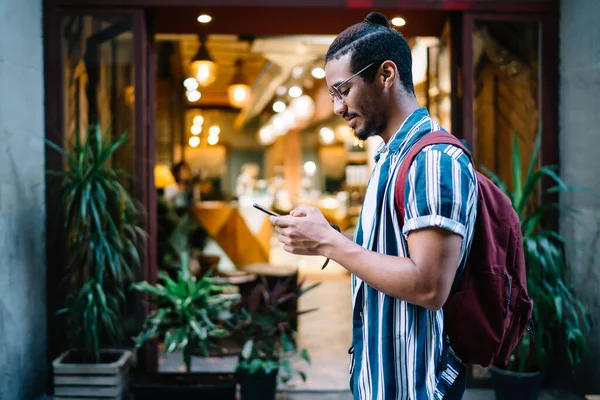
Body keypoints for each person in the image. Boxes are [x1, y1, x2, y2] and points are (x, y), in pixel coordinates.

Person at [269, 12, 478, 400]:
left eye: (342, 90)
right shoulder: (391, 156)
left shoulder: (433, 161)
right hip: (384, 379)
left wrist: (331, 245)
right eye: (333, 94)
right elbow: (393, 254)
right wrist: (327, 235)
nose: (337, 107)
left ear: (385, 75)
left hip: (415, 387)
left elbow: (429, 285)